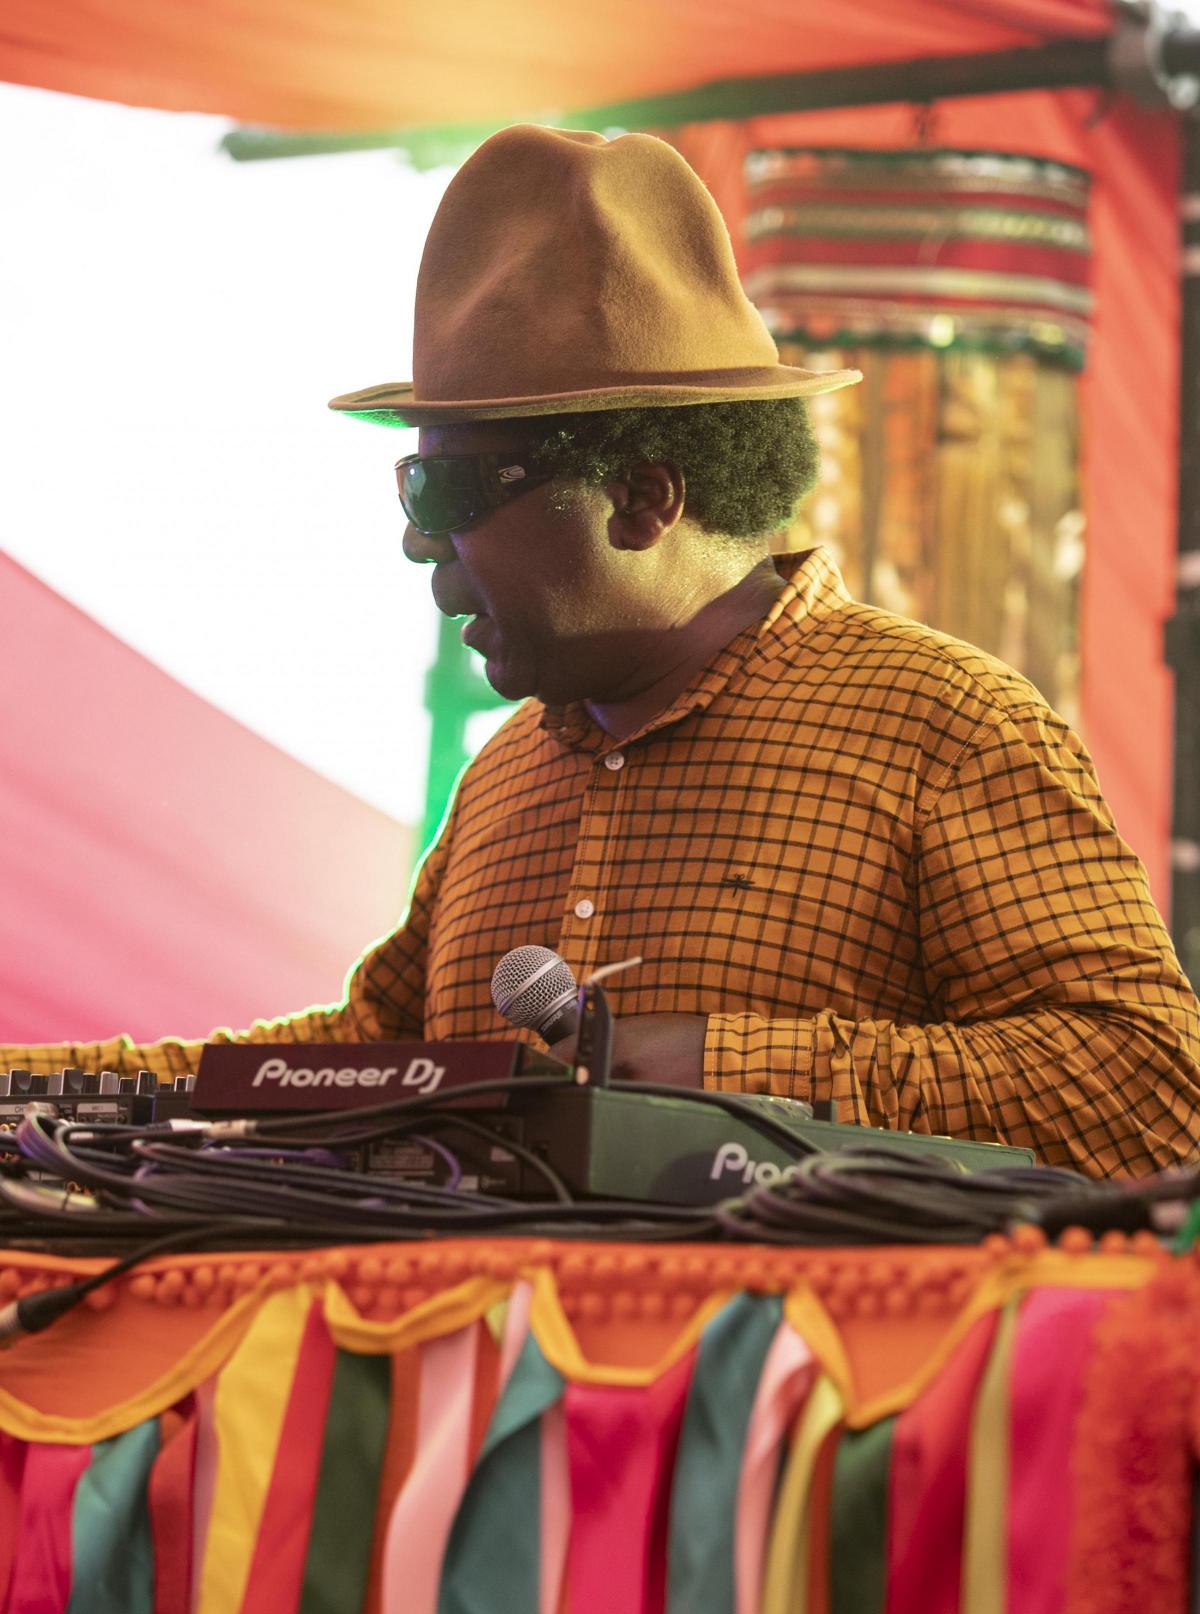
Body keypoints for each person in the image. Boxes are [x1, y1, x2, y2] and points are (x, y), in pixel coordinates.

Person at [2, 124, 1197, 1178]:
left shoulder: (946, 724)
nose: (420, 538)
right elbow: (368, 1061)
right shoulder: (507, 770)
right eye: (413, 481)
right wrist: (35, 1091)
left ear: (640, 497)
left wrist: (714, 1067)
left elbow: (1149, 1093)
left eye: (451, 482)